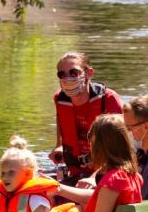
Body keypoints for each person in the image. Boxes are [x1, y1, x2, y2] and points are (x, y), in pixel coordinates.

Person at [24, 114, 142, 212]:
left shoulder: (113, 180)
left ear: (101, 146)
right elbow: (101, 201)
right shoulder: (133, 176)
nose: (90, 148)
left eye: (91, 142)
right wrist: (58, 188)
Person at [51, 51, 123, 183]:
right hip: (76, 171)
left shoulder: (108, 99)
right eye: (62, 74)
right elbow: (61, 120)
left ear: (89, 73)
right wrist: (59, 145)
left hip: (109, 172)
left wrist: (94, 178)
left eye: (74, 72)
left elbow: (121, 150)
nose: (67, 78)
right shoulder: (60, 99)